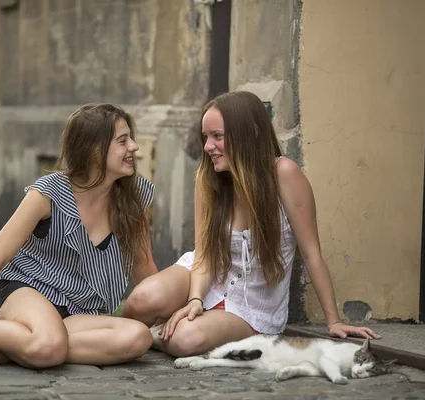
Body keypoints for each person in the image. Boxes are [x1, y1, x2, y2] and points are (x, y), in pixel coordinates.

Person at [123, 91, 381, 357]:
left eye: (217, 136)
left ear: (252, 133)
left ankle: (148, 335)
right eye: (206, 137)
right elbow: (205, 255)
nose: (207, 146)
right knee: (141, 300)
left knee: (185, 341)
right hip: (205, 276)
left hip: (251, 303)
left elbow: (312, 252)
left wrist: (334, 321)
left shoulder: (285, 175)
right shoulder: (208, 179)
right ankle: (154, 329)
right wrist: (195, 300)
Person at [0, 103, 157, 370]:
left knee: (137, 337)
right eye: (122, 141)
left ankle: (17, 348)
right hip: (27, 292)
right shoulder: (47, 193)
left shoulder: (134, 198)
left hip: (78, 311)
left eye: (131, 138)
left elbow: (143, 268)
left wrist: (176, 313)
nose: (134, 147)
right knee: (49, 347)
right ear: (94, 150)